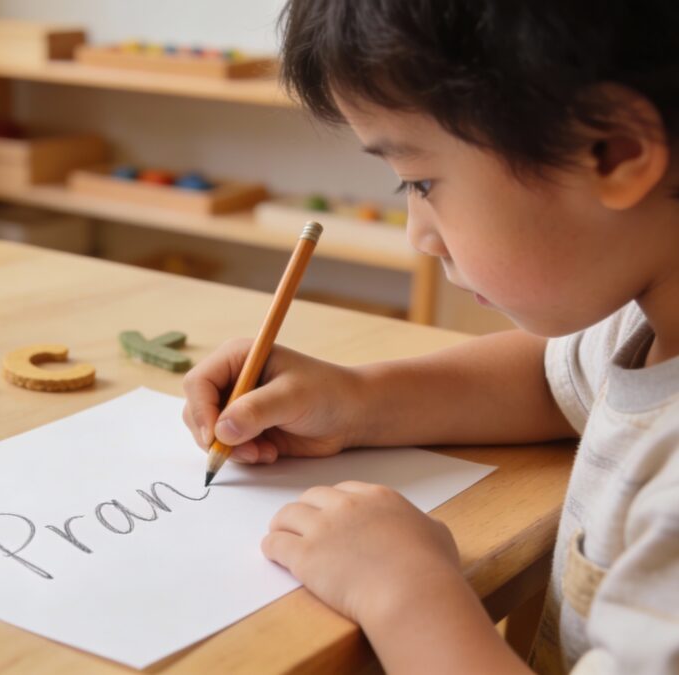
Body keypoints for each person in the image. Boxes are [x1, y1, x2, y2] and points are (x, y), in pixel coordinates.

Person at [181, 1, 679, 672]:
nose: (418, 233)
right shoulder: (647, 322)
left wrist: (404, 591)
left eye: (421, 181)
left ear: (613, 151)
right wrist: (356, 399)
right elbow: (549, 380)